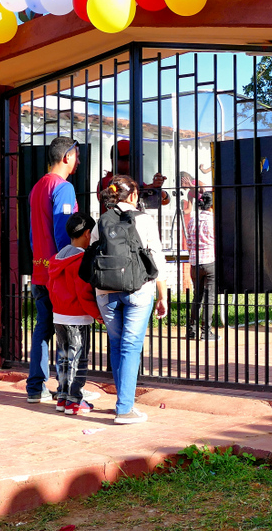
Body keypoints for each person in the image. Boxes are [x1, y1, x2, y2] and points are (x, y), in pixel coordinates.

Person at [91, 175, 168, 424]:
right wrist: (162, 296)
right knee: (131, 346)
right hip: (138, 290)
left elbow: (91, 255)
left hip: (105, 293)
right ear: (133, 195)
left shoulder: (101, 221)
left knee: (116, 344)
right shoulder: (144, 220)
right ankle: (124, 408)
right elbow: (157, 260)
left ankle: (123, 401)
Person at [26, 137, 80, 404]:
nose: (78, 161)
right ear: (67, 157)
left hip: (39, 269)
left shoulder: (37, 188)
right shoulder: (64, 188)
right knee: (65, 332)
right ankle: (64, 389)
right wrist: (70, 264)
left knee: (42, 329)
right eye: (76, 156)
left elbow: (33, 233)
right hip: (57, 272)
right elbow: (63, 232)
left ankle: (35, 387)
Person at [47, 212, 98, 416]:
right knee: (79, 359)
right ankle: (75, 401)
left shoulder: (56, 258)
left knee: (65, 358)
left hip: (60, 316)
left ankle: (63, 397)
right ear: (87, 233)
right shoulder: (81, 260)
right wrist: (98, 314)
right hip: (78, 317)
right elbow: (84, 294)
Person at [96, 139, 170, 211]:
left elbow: (165, 201)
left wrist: (158, 189)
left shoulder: (134, 181)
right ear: (114, 161)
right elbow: (124, 196)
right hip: (115, 223)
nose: (134, 163)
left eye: (136, 159)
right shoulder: (105, 182)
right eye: (128, 159)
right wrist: (149, 188)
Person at [183, 190, 217, 341]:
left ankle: (192, 330)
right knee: (210, 297)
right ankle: (206, 331)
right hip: (210, 261)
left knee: (197, 296)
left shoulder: (192, 220)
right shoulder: (213, 221)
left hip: (195, 263)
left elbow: (189, 243)